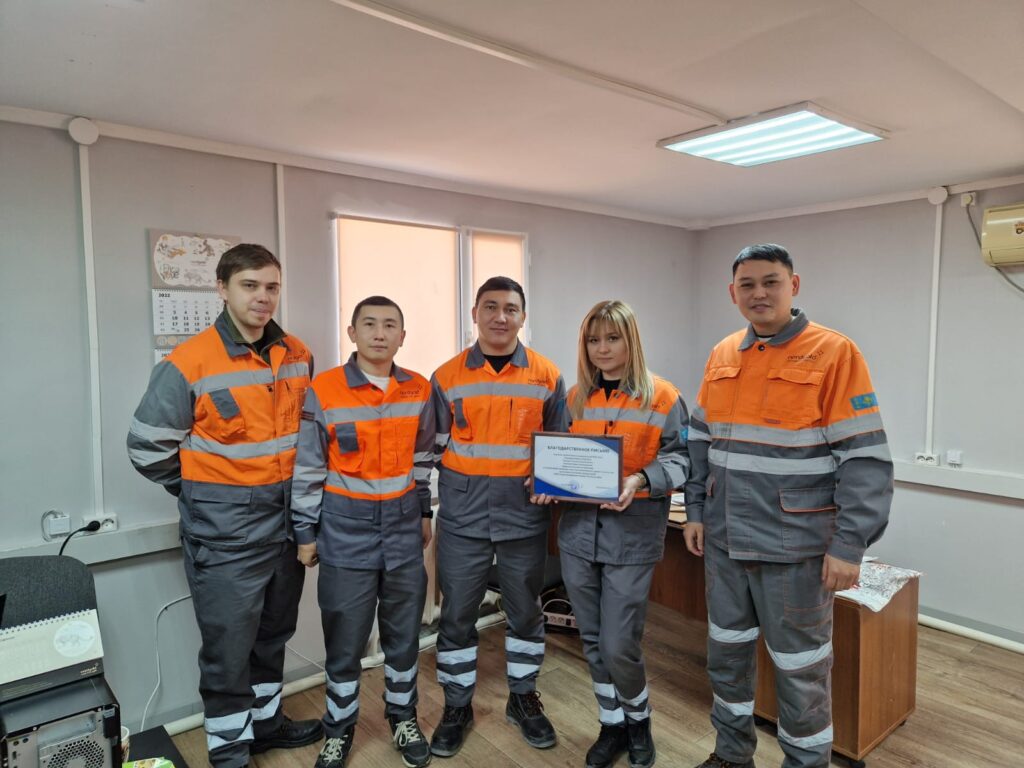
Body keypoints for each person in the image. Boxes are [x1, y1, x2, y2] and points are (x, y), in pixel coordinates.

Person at [684, 244, 893, 768]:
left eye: (770, 282)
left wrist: (849, 545)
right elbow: (700, 442)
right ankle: (732, 754)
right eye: (748, 284)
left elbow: (864, 460)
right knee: (726, 657)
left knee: (801, 670)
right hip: (725, 542)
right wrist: (695, 512)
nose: (759, 293)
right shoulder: (723, 353)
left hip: (794, 548)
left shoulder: (834, 353)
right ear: (733, 293)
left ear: (793, 286)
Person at [127, 243, 323, 768]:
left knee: (273, 635)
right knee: (228, 648)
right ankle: (230, 752)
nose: (263, 297)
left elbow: (308, 439)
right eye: (250, 285)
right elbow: (146, 449)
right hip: (225, 536)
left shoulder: (299, 354)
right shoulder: (188, 362)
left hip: (286, 529)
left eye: (272, 287)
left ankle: (266, 726)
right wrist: (202, 492)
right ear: (222, 288)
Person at [540, 300, 689, 768]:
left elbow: (683, 461)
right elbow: (562, 457)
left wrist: (640, 479)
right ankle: (611, 724)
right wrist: (545, 481)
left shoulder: (663, 397)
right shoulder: (575, 399)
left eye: (612, 338)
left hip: (632, 536)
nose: (601, 348)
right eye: (593, 340)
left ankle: (639, 721)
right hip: (578, 535)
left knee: (619, 642)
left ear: (631, 341)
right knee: (591, 637)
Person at [291, 296, 435, 768]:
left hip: (403, 532)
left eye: (390, 325)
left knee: (403, 637)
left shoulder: (418, 389)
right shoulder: (326, 389)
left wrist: (423, 513)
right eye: (369, 324)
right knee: (345, 640)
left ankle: (403, 717)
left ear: (402, 336)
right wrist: (305, 532)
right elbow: (309, 467)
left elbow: (422, 460)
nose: (379, 333)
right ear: (352, 333)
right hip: (344, 534)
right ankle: (339, 730)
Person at [428, 276, 568, 757]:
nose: (500, 317)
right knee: (457, 615)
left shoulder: (547, 376)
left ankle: (523, 697)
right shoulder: (446, 377)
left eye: (510, 308)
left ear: (522, 316)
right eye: (490, 307)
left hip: (523, 517)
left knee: (525, 612)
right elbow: (432, 447)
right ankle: (456, 705)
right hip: (463, 517)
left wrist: (549, 482)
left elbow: (559, 446)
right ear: (475, 314)